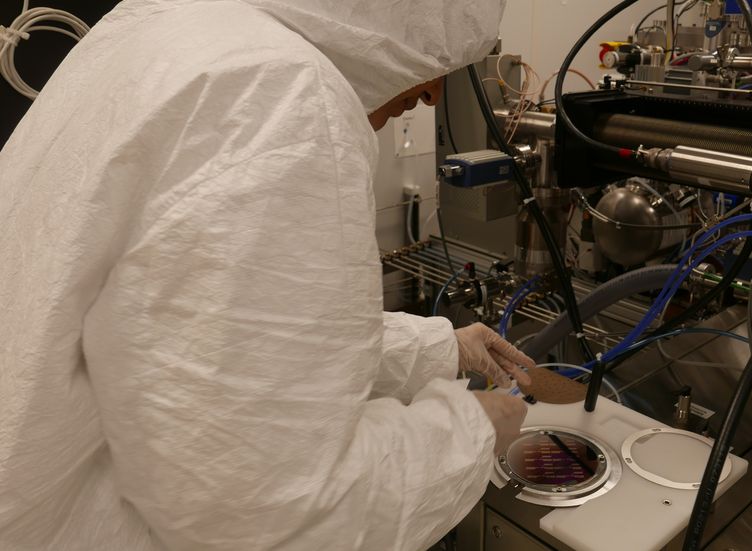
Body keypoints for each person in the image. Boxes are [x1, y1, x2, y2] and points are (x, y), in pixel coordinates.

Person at [0, 0, 535, 549]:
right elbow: (268, 514)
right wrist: (469, 432)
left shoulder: (164, 29)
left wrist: (438, 348)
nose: (432, 95)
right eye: (436, 59)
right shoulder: (278, 94)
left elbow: (201, 343)